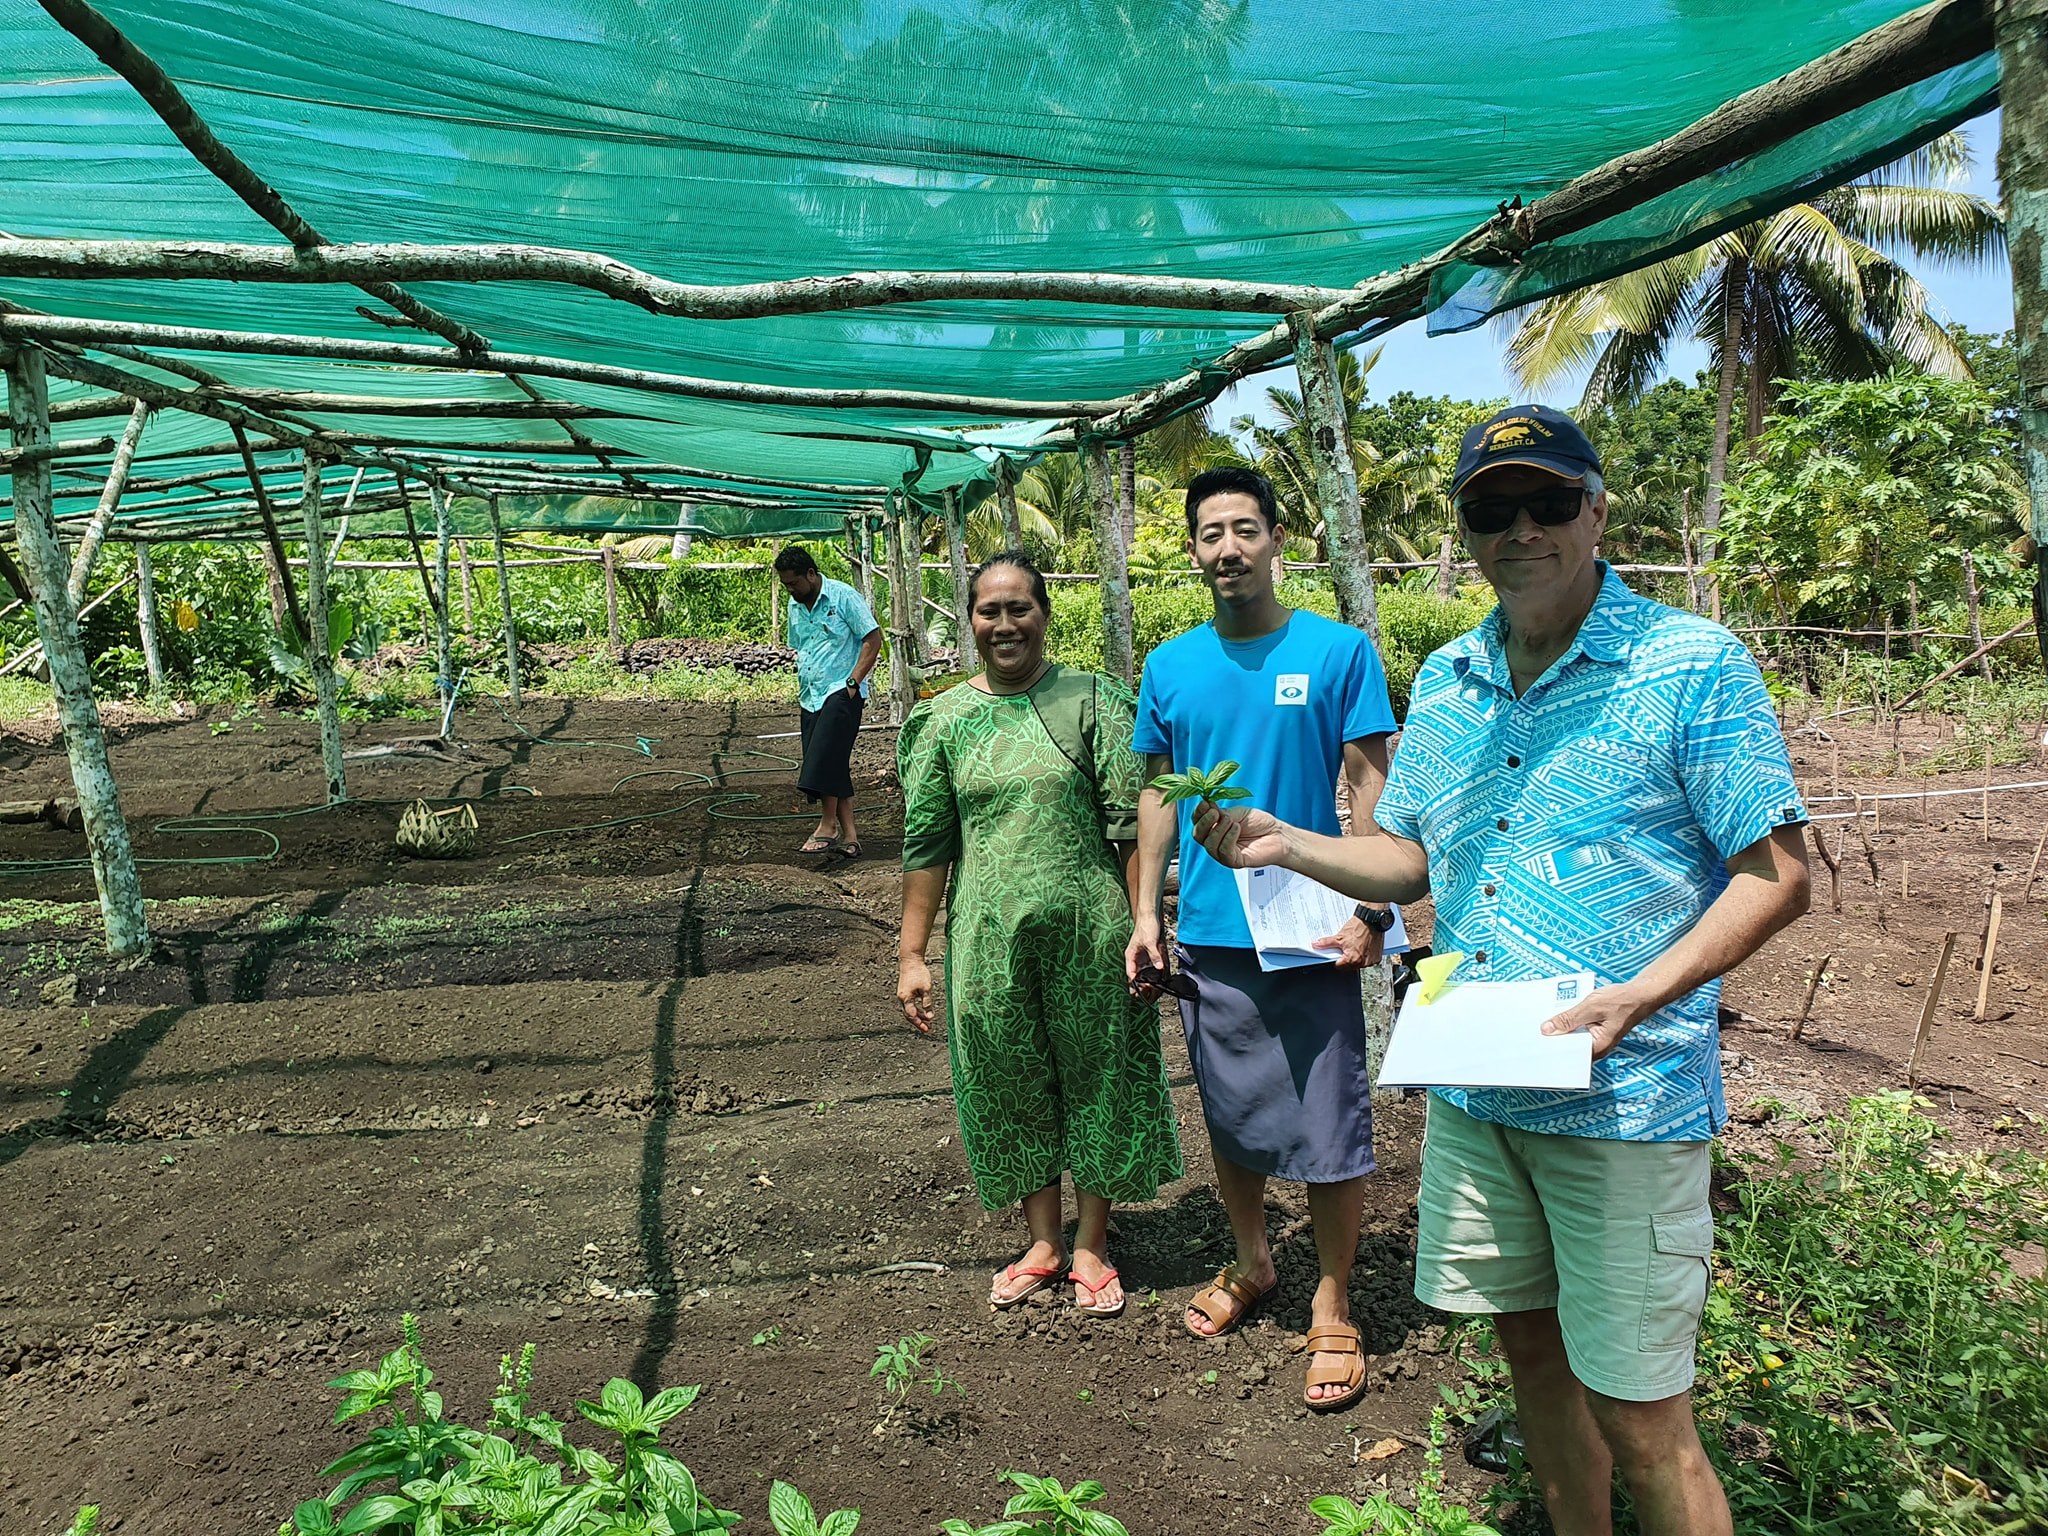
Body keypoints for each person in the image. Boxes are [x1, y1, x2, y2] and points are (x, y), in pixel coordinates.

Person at [1190, 405, 1813, 1536]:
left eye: (1547, 501)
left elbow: (1774, 875)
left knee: (1641, 1416)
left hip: (1621, 1097)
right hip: (1480, 1088)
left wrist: (1638, 993)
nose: (1519, 527)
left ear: (1595, 508)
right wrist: (1288, 843)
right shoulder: (1450, 675)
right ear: (1466, 530)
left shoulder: (1687, 665)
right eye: (1491, 509)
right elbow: (1406, 854)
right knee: (1527, 1354)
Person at [1127, 465, 1399, 1412]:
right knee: (1230, 1109)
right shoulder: (1170, 667)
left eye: (1246, 529)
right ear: (1194, 550)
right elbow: (1157, 800)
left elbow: (1372, 787)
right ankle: (1255, 1264)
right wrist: (1146, 914)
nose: (1228, 549)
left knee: (1329, 1117)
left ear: (1279, 540)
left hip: (1314, 925)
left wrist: (1372, 913)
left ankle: (1332, 1302)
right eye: (1210, 534)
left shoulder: (1336, 653)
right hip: (1210, 928)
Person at [897, 551, 1182, 1317]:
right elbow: (928, 845)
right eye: (988, 611)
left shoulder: (1091, 700)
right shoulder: (946, 719)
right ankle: (1044, 1241)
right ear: (970, 623)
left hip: (1091, 930)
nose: (1004, 624)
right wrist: (912, 953)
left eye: (1019, 607)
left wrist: (1146, 925)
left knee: (1099, 1074)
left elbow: (1129, 828)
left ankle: (1091, 1242)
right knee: (1008, 1078)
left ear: (1045, 615)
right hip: (988, 938)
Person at [774, 545, 881, 856]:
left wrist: (852, 682)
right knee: (833, 761)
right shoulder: (796, 607)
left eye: (794, 583)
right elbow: (803, 647)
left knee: (821, 759)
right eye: (785, 585)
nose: (790, 590)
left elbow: (873, 639)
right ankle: (850, 836)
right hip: (811, 694)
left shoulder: (842, 596)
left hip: (841, 692)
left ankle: (827, 824)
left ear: (811, 574)